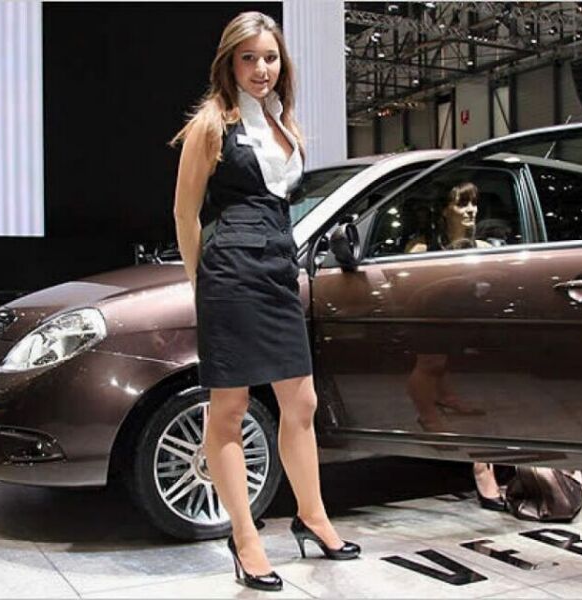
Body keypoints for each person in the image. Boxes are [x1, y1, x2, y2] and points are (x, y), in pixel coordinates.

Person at [170, 11, 360, 592]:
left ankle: (313, 517)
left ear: (283, 64)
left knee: (300, 403)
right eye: (248, 58)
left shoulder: (283, 122)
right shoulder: (211, 124)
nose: (261, 69)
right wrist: (200, 283)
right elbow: (185, 213)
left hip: (278, 269)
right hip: (230, 269)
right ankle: (245, 538)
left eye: (270, 57)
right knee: (229, 408)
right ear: (229, 63)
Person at [405, 181, 506, 512]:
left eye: (474, 203)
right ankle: (431, 417)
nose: (471, 210)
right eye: (462, 203)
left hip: (471, 320)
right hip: (432, 318)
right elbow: (412, 292)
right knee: (430, 364)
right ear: (445, 210)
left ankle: (449, 402)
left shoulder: (483, 246)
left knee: (477, 374)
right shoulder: (422, 248)